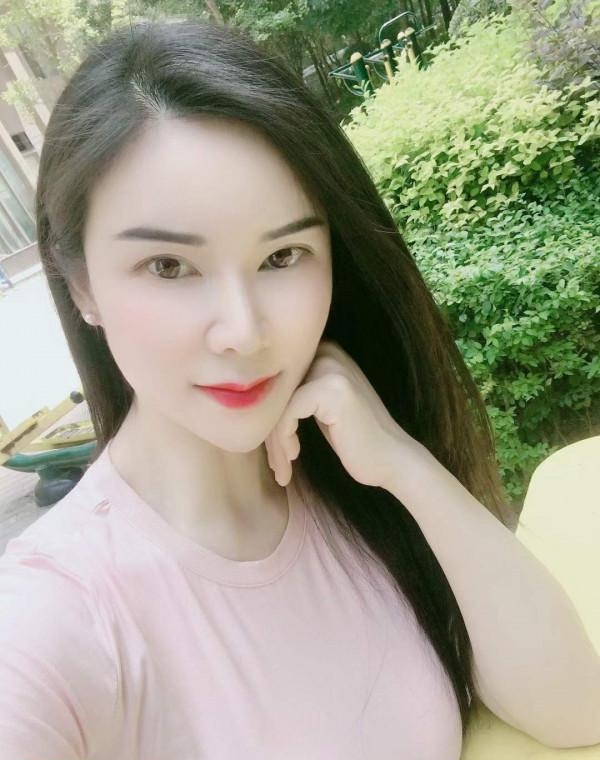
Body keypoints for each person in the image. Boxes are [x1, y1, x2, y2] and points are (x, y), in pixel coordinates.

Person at [0, 18, 598, 760]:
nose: (244, 332)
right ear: (82, 285)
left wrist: (404, 464)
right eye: (169, 267)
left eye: (283, 255)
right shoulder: (55, 612)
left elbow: (576, 711)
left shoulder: (352, 487)